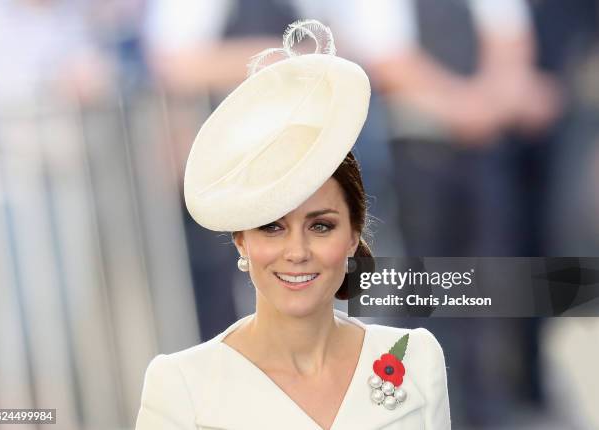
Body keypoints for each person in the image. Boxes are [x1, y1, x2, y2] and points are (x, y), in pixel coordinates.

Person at [135, 20, 450, 430]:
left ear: (354, 234)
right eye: (271, 227)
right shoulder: (181, 385)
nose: (297, 251)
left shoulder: (415, 357)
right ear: (241, 240)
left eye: (321, 226)